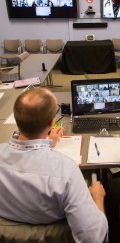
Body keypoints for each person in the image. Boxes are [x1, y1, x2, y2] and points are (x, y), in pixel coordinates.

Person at [0, 88, 108, 243]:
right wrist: (97, 198)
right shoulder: (66, 172)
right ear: (52, 123)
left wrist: (47, 143)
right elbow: (92, 238)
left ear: (16, 120)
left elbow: (25, 161)